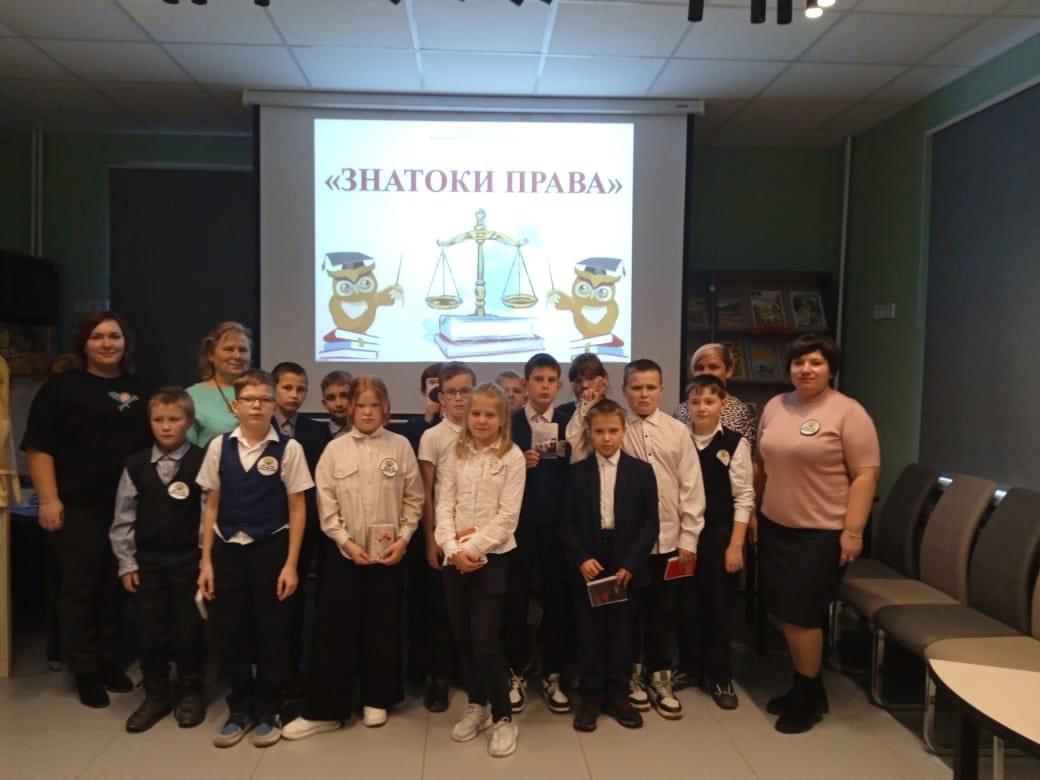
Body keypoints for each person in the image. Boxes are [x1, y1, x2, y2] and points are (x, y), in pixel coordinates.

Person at [22, 311, 152, 708]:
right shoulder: (62, 388)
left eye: (114, 336)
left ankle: (109, 660)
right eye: (98, 337)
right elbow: (38, 447)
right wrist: (49, 499)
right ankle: (84, 670)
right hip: (77, 505)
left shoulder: (142, 388)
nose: (107, 343)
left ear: (126, 343)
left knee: (116, 586)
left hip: (129, 507)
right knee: (80, 587)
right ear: (84, 344)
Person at [282, 376, 423, 739]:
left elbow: (414, 498)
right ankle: (326, 710)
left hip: (388, 554)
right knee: (334, 629)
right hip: (345, 555)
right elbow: (325, 503)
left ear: (386, 409)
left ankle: (377, 698)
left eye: (375, 405)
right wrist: (345, 542)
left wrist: (404, 539)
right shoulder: (335, 450)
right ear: (351, 409)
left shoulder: (401, 446)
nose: (367, 412)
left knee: (383, 624)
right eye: (361, 405)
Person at [755, 335, 879, 733]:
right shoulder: (776, 405)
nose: (806, 369)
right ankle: (806, 687)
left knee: (801, 616)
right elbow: (762, 464)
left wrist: (853, 531)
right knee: (785, 613)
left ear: (831, 369)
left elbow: (865, 475)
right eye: (799, 363)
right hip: (776, 526)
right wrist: (755, 510)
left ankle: (807, 697)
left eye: (815, 362)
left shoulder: (849, 412)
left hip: (821, 533)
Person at [196, 370, 312, 748]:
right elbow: (211, 505)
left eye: (264, 399)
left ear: (274, 405)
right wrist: (206, 562)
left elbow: (298, 508)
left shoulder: (289, 449)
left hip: (271, 549)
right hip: (227, 550)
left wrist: (291, 563)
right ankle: (240, 709)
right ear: (236, 405)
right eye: (249, 399)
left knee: (272, 633)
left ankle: (268, 709)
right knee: (233, 633)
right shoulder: (219, 447)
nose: (257, 406)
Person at [435, 382, 526, 758]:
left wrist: (471, 550)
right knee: (463, 638)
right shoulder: (454, 454)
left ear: (503, 418)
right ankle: (478, 705)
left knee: (485, 640)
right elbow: (444, 506)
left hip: (492, 559)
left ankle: (503, 717)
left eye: (490, 414)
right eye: (476, 413)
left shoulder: (512, 457)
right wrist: (452, 550)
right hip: (454, 558)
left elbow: (507, 518)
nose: (482, 420)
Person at [109, 387, 206, 732]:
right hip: (148, 563)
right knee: (150, 629)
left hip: (189, 561)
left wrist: (206, 561)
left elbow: (208, 515)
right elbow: (123, 518)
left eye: (174, 419)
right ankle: (156, 692)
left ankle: (190, 690)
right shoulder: (135, 465)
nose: (166, 426)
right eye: (158, 420)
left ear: (189, 421)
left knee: (188, 629)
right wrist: (127, 563)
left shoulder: (202, 461)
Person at [561, 399, 658, 732]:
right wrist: (580, 558)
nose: (606, 438)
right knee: (589, 631)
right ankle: (591, 695)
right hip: (590, 558)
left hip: (624, 560)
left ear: (623, 431)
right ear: (589, 432)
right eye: (599, 431)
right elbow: (566, 523)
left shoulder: (641, 472)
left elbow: (650, 522)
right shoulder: (577, 473)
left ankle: (618, 694)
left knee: (622, 632)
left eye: (613, 431)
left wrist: (631, 563)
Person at [620, 359, 705, 720]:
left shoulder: (677, 431)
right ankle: (631, 674)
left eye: (651, 387)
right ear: (625, 390)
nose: (644, 394)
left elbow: (692, 487)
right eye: (636, 387)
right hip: (628, 545)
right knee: (628, 612)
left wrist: (689, 538)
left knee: (662, 612)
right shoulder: (616, 428)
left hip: (670, 540)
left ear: (662, 390)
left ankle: (660, 676)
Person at [675, 375, 754, 709]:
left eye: (709, 401)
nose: (702, 408)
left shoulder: (735, 444)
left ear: (723, 403)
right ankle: (690, 667)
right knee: (686, 604)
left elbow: (744, 497)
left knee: (719, 607)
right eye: (695, 402)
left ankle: (720, 675)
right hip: (683, 536)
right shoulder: (679, 438)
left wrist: (736, 545)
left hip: (720, 536)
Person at [503, 353, 574, 714]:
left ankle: (553, 673)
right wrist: (519, 462)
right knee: (514, 601)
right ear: (525, 384)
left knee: (556, 603)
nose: (544, 386)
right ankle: (515, 671)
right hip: (517, 529)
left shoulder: (569, 423)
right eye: (538, 379)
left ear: (559, 386)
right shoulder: (509, 422)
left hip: (557, 529)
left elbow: (578, 473)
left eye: (551, 381)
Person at [414, 362, 474, 712]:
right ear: (441, 397)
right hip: (443, 535)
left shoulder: (485, 429)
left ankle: (466, 671)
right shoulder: (432, 437)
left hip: (476, 536)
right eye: (452, 392)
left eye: (466, 391)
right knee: (441, 611)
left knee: (470, 609)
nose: (459, 398)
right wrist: (430, 539)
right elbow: (426, 493)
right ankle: (438, 676)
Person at [270, 361, 332, 689]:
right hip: (265, 526)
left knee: (295, 601)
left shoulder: (316, 431)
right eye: (287, 388)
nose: (294, 395)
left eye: (301, 389)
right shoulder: (259, 425)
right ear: (273, 389)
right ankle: (267, 670)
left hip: (304, 525)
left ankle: (293, 669)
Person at [401, 362, 444, 687]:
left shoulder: (466, 426)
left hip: (456, 526)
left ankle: (446, 669)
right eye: (432, 385)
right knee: (420, 600)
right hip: (417, 527)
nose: (438, 392)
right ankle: (420, 666)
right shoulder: (411, 429)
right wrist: (430, 419)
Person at [673, 343, 758, 446]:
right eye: (699, 368)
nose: (706, 372)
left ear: (729, 371)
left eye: (713, 367)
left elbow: (747, 451)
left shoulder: (741, 413)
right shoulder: (680, 411)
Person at [186, 321, 252, 448]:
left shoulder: (263, 393)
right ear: (210, 355)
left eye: (243, 350)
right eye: (229, 349)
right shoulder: (191, 396)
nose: (237, 356)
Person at [563, 354, 611, 463]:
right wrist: (586, 405)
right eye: (578, 380)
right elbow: (569, 455)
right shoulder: (561, 414)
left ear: (604, 379)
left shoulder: (615, 412)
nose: (584, 385)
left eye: (590, 378)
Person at [319, 370, 354, 440]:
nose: (339, 404)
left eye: (344, 396)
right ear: (325, 404)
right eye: (331, 398)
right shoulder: (316, 436)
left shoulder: (367, 432)